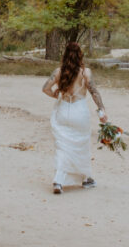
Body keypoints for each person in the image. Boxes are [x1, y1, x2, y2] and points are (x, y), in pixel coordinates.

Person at [41, 42, 108, 194]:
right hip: (80, 112)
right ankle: (86, 179)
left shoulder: (58, 72)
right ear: (80, 55)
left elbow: (45, 88)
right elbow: (94, 92)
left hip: (64, 110)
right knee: (80, 145)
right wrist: (102, 110)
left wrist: (55, 94)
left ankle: (59, 181)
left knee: (63, 146)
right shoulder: (86, 72)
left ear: (65, 55)